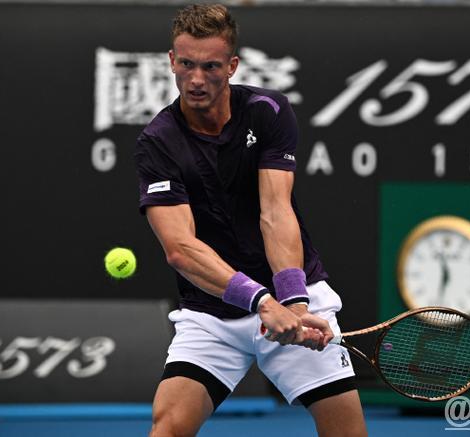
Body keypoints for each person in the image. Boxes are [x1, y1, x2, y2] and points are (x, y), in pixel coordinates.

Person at [134, 4, 368, 437]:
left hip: (291, 293)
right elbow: (180, 249)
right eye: (185, 64)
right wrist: (262, 303)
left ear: (232, 66)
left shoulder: (267, 110)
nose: (196, 79)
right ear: (171, 61)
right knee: (168, 427)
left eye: (210, 66)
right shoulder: (158, 142)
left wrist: (294, 302)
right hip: (212, 313)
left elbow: (275, 211)